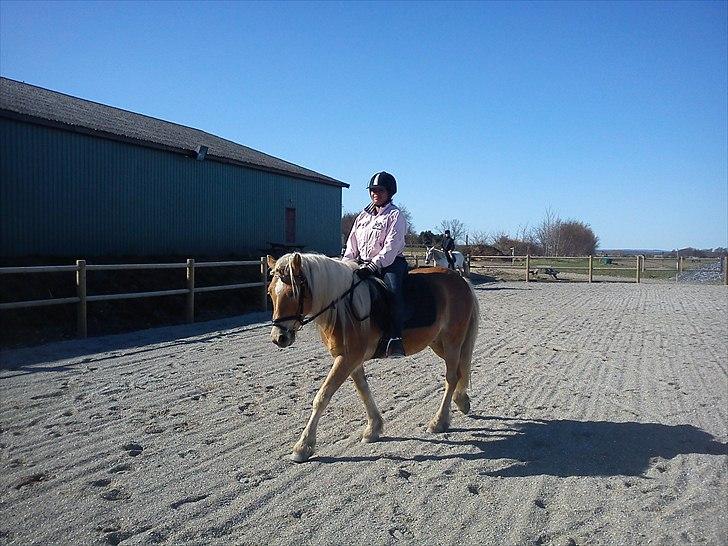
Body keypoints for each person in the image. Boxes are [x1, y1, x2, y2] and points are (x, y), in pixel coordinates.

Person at [343, 171, 408, 358]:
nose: (375, 193)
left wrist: (373, 265)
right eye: (372, 190)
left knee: (393, 293)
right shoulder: (362, 217)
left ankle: (395, 339)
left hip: (390, 264)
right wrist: (346, 264)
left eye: (379, 190)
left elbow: (391, 247)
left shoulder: (395, 215)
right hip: (361, 264)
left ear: (389, 192)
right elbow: (352, 243)